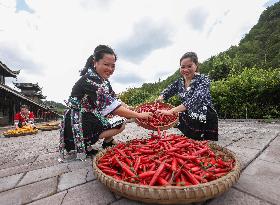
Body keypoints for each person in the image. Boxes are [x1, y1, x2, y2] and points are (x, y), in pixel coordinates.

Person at [59, 45, 152, 159]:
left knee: (119, 121)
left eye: (113, 66)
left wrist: (130, 108)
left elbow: (114, 99)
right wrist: (139, 115)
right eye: (106, 64)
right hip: (78, 120)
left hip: (89, 115)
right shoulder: (90, 80)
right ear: (95, 62)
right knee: (120, 122)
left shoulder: (103, 81)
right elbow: (114, 107)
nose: (110, 69)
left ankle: (108, 141)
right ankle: (85, 141)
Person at [156, 52, 218, 141]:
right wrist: (161, 97)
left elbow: (196, 100)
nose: (186, 69)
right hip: (189, 115)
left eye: (189, 66)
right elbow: (168, 91)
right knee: (189, 140)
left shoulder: (203, 80)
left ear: (196, 66)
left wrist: (171, 111)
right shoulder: (180, 82)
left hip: (204, 116)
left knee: (202, 142)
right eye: (183, 67)